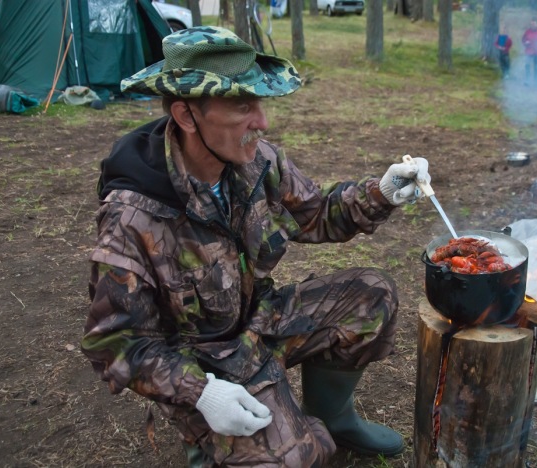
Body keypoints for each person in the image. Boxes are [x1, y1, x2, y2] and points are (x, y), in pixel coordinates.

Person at [81, 26, 431, 467]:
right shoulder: (133, 216)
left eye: (259, 104)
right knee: (298, 456)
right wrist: (203, 393)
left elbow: (317, 214)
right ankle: (211, 441)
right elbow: (114, 343)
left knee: (371, 295)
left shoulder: (256, 161)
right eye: (243, 106)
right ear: (188, 117)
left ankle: (333, 418)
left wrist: (381, 192)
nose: (262, 122)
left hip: (261, 323)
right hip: (207, 364)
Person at [521, 16, 537, 84]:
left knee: (536, 66)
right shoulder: (527, 31)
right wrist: (525, 43)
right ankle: (527, 80)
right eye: (531, 24)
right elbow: (523, 39)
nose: (532, 25)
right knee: (527, 65)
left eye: (534, 24)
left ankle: (535, 80)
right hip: (529, 51)